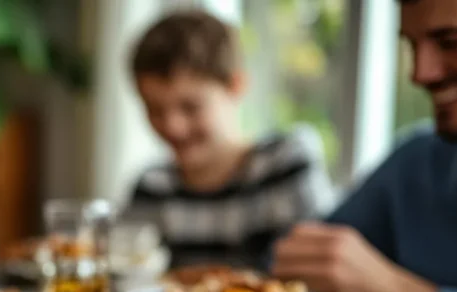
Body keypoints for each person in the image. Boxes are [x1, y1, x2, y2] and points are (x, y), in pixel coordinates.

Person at [272, 0, 457, 292]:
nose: (420, 73)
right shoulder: (415, 164)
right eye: (411, 44)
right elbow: (290, 271)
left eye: (452, 42)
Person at [126, 10, 335, 270]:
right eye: (155, 109)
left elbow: (317, 277)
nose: (173, 127)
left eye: (190, 107)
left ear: (235, 86)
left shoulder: (284, 165)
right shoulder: (151, 189)